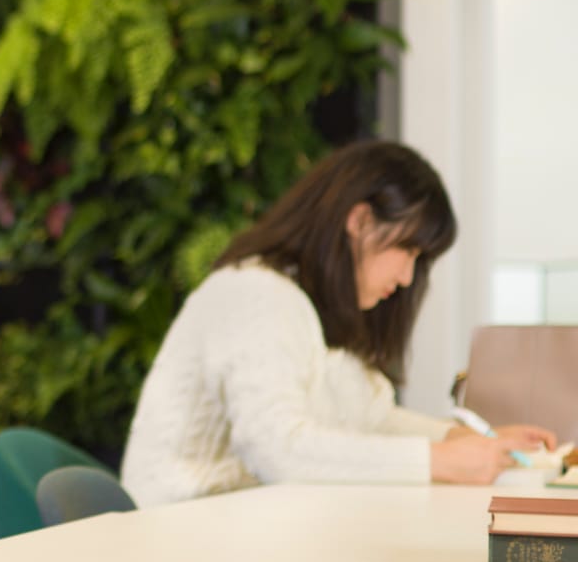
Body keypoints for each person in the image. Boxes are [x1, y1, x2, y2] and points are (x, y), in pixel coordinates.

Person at [122, 140, 557, 507]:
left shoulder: (305, 303)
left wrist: (461, 439)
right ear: (361, 221)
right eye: (407, 251)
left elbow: (369, 416)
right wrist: (440, 459)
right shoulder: (258, 294)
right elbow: (277, 449)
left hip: (236, 527)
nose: (407, 278)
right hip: (180, 535)